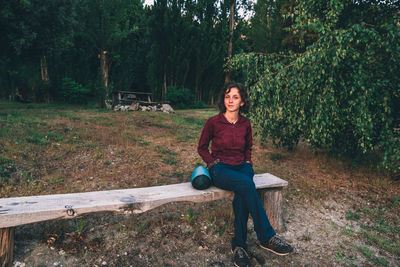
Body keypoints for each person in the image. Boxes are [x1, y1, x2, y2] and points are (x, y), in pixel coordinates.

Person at [197, 83, 293, 267]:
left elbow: (248, 146)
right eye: (227, 96)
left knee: (242, 193)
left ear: (242, 101)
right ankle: (266, 236)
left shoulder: (245, 123)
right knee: (247, 185)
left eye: (235, 97)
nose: (230, 100)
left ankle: (239, 246)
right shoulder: (213, 122)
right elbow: (201, 147)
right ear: (223, 100)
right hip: (220, 169)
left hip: (242, 167)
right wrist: (211, 161)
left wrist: (248, 162)